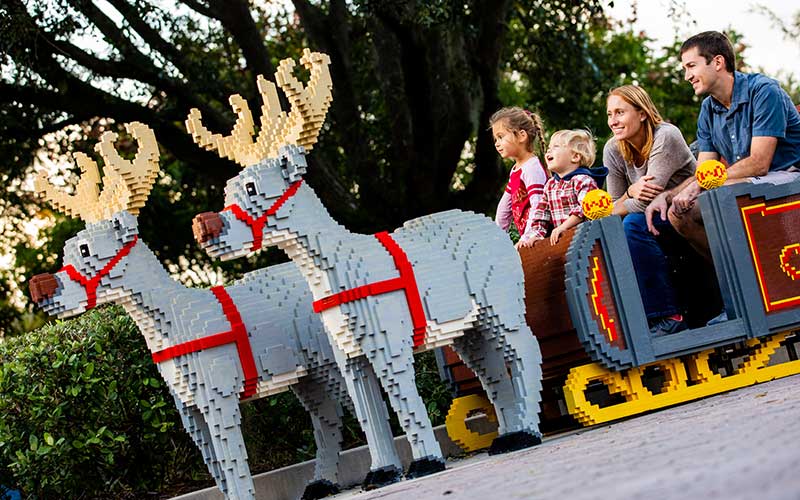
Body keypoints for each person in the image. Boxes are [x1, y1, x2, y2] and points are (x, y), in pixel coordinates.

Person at [646, 31, 800, 262]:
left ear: (718, 62)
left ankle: (756, 270)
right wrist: (668, 196)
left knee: (717, 196)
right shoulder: (708, 110)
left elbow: (759, 163)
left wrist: (700, 184)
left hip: (788, 177)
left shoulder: (764, 91)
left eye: (691, 66)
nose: (687, 76)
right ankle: (738, 268)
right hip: (748, 183)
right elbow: (704, 172)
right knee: (679, 212)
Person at [604, 85, 697, 336]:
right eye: (610, 114)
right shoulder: (613, 149)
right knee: (616, 231)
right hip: (658, 219)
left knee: (633, 225)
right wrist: (631, 192)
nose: (613, 121)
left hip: (691, 212)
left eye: (620, 113)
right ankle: (629, 323)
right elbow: (614, 205)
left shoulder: (665, 136)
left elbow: (643, 204)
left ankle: (669, 316)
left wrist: (627, 201)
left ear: (642, 113)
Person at [523, 129, 607, 246]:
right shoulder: (550, 185)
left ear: (575, 157)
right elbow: (542, 215)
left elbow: (585, 208)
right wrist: (536, 235)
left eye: (556, 147)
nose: (549, 151)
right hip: (564, 241)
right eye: (549, 148)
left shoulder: (583, 180)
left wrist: (563, 227)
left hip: (587, 239)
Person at [490, 107, 549, 249]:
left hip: (540, 237)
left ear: (522, 136)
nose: (496, 143)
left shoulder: (532, 168)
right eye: (495, 139)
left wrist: (528, 236)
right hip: (528, 239)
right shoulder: (516, 169)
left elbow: (538, 204)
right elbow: (505, 207)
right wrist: (498, 236)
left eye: (501, 137)